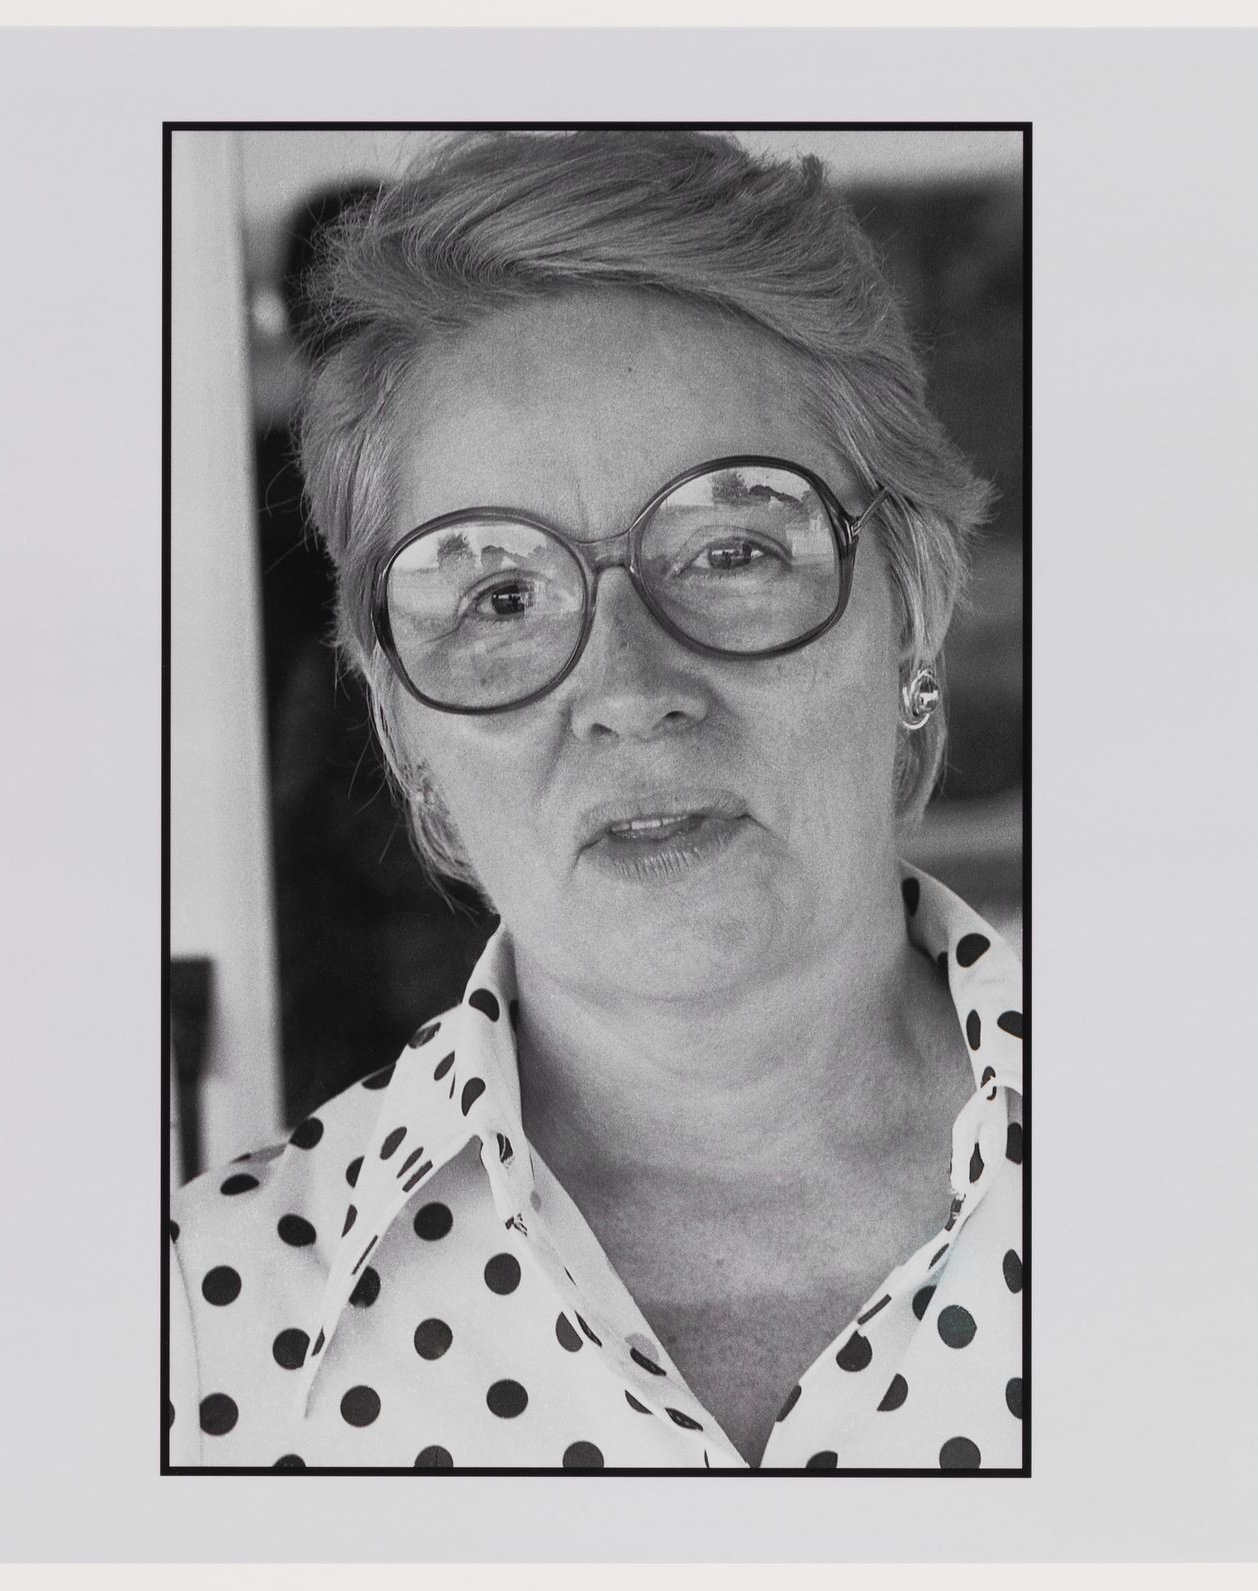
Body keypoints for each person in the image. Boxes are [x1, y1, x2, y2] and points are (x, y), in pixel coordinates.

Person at [168, 129, 1025, 1472]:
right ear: (402, 727)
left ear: (910, 606)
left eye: (734, 548)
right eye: (497, 595)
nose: (629, 687)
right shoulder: (181, 1341)